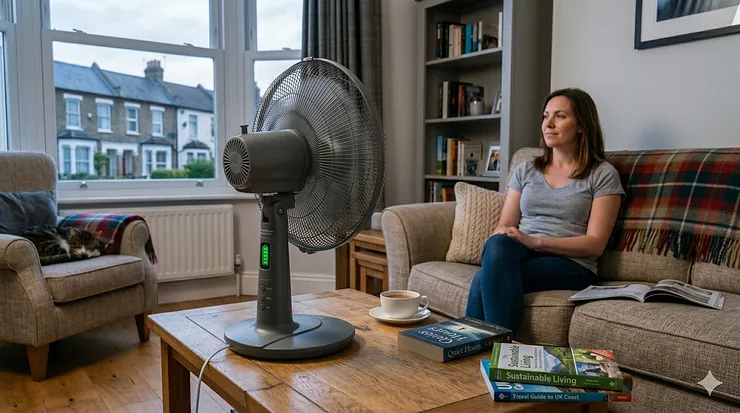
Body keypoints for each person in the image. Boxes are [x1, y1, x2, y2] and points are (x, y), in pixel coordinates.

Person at [465, 88, 625, 334]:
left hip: (571, 263)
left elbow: (595, 244)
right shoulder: (526, 170)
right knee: (498, 244)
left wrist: (533, 241)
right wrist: (511, 238)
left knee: (482, 279)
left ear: (582, 125)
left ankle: (490, 351)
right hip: (522, 253)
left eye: (560, 116)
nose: (548, 124)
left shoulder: (602, 174)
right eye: (545, 116)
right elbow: (505, 224)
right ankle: (493, 353)